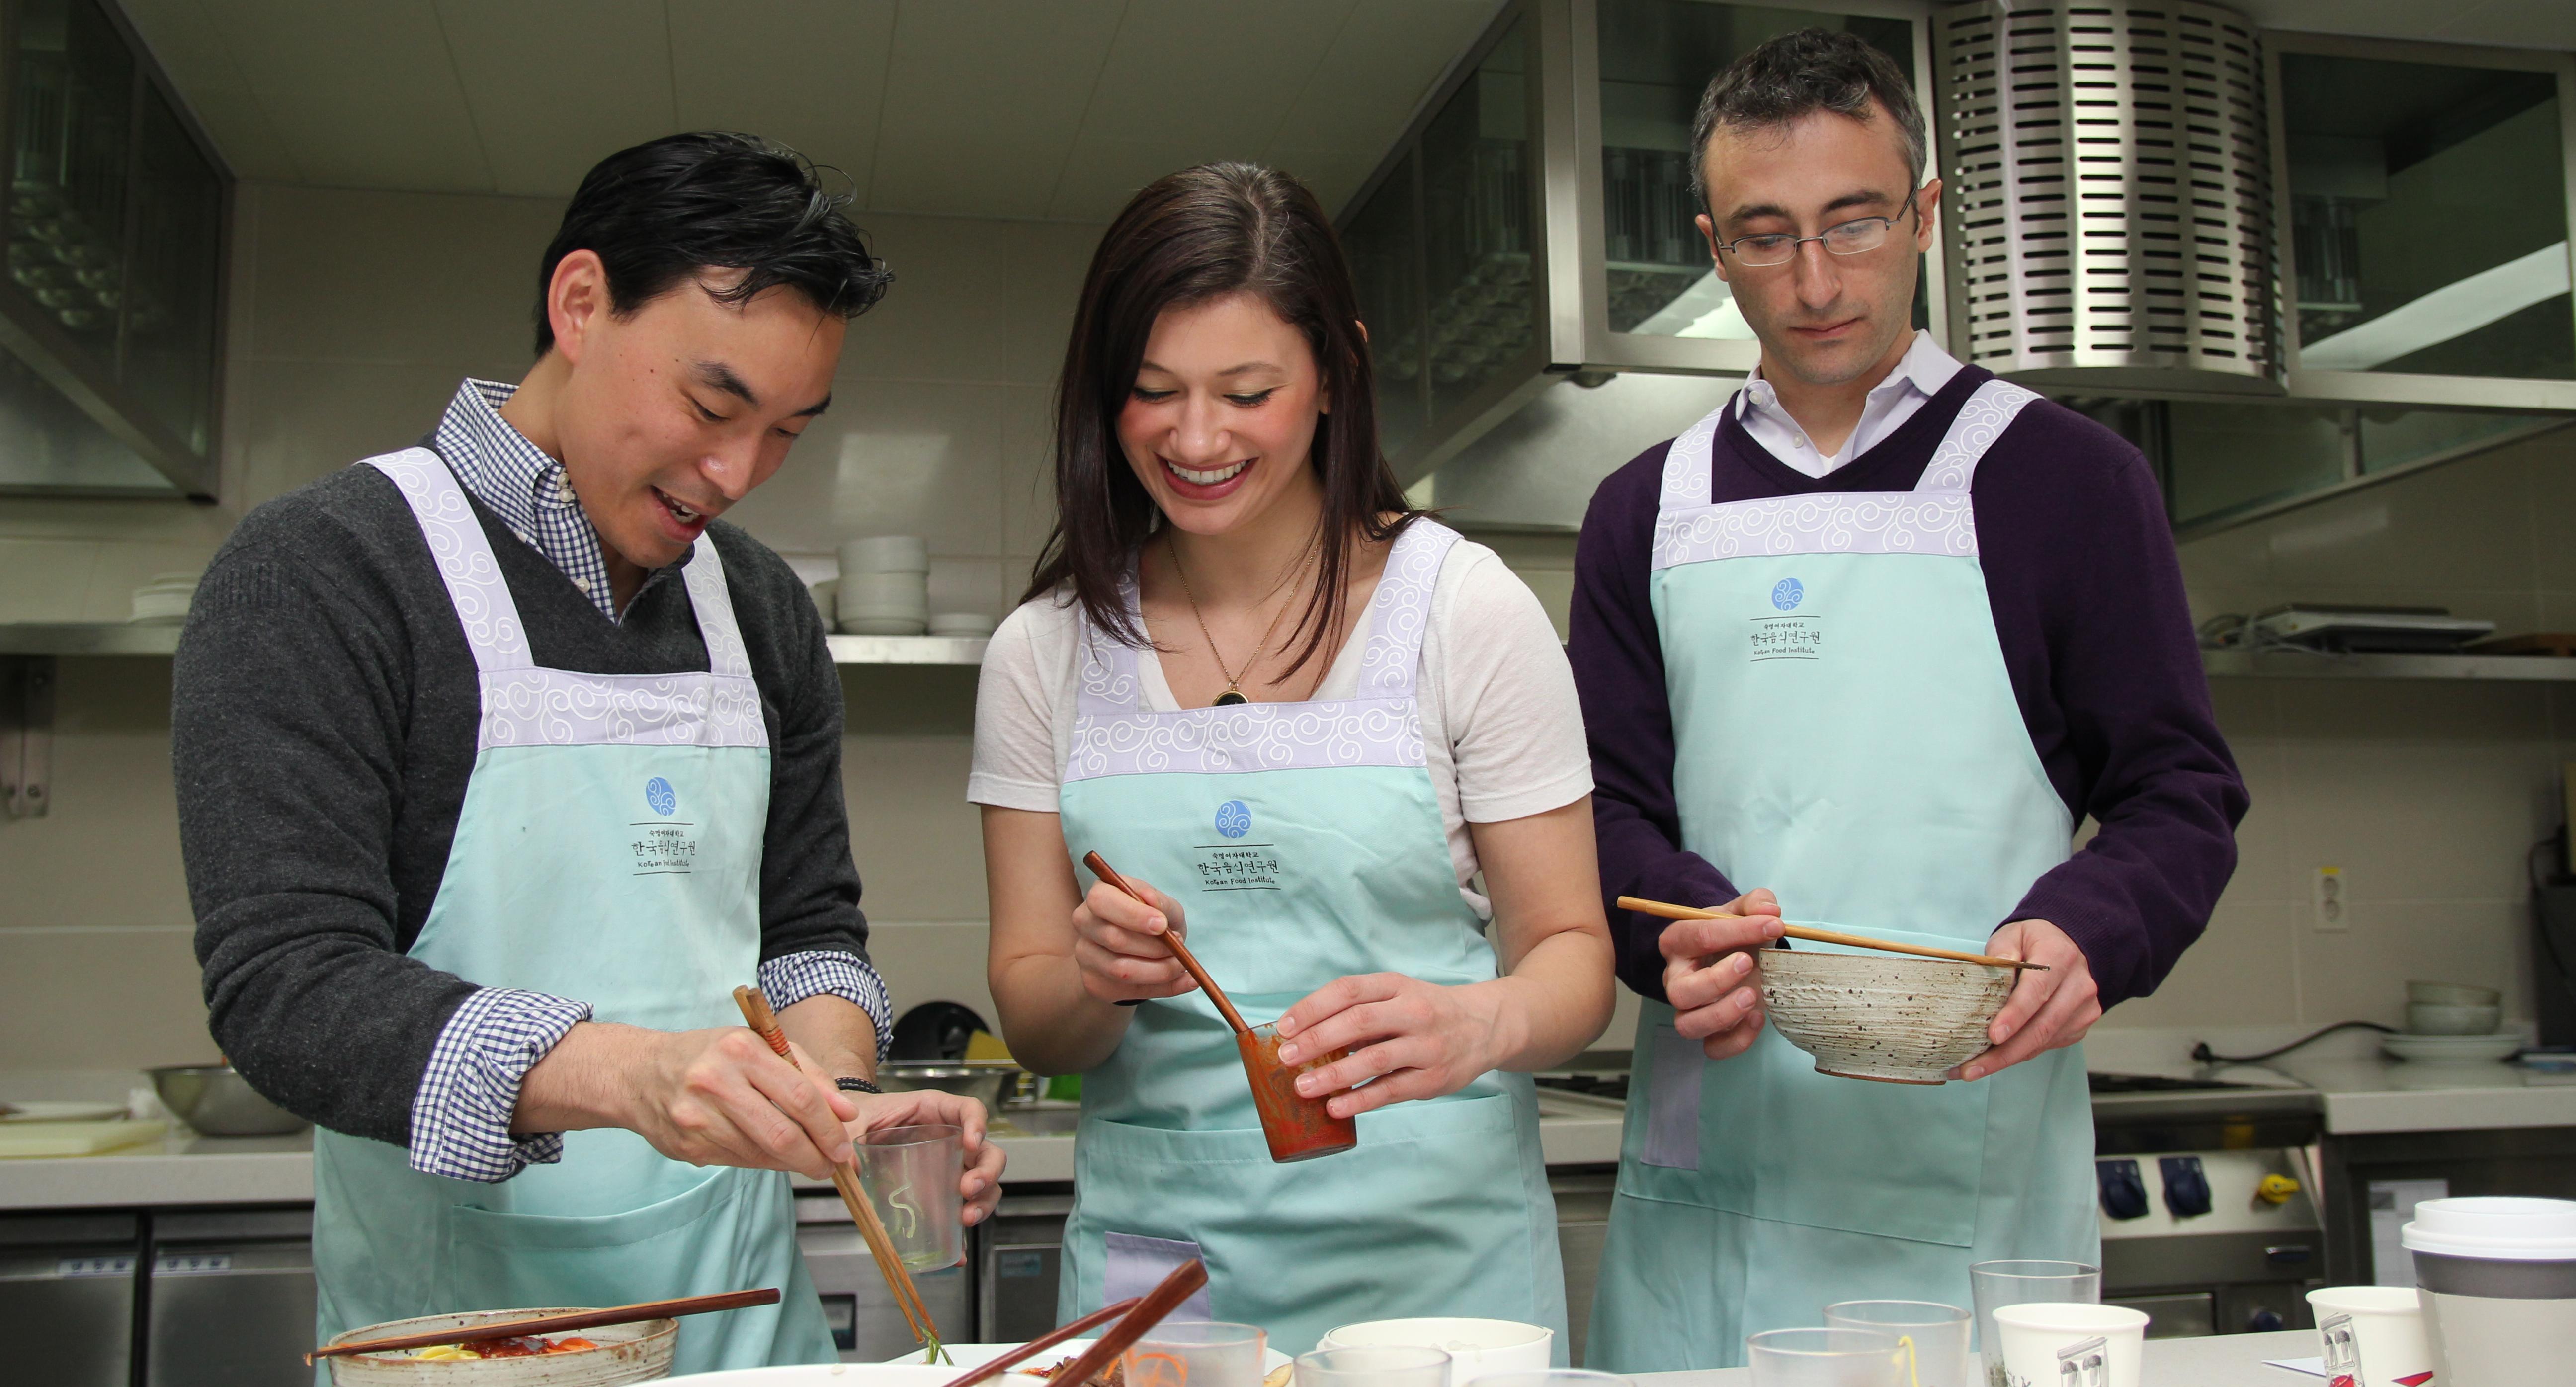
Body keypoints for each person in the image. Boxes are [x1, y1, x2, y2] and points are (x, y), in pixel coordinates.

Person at [173, 133, 1004, 1375]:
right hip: (470, 1341)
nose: (736, 472)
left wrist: (837, 1102)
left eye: (787, 431)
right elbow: (287, 989)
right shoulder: (328, 568)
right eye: (713, 405)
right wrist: (632, 1077)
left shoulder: (763, 607)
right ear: (579, 304)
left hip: (748, 1335)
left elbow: (811, 928)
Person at [1569, 32, 2248, 1371]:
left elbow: (2181, 796)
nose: (1816, 282)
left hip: (1966, 1178)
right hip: (1715, 1178)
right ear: (1714, 244)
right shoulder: (1640, 511)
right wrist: (1667, 938)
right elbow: (1599, 813)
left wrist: (2088, 930)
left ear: (1926, 215)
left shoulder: (2070, 484)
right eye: (1767, 237)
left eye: (1856, 223)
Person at [971, 162, 1612, 1355]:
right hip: (1170, 1288)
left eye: (1246, 391)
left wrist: (1480, 1025)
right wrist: (1094, 974)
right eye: (1152, 392)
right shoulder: (1044, 651)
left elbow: (1573, 957)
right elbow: (1037, 1016)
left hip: (1439, 1274)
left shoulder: (1464, 611)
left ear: (1336, 373)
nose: (1196, 437)